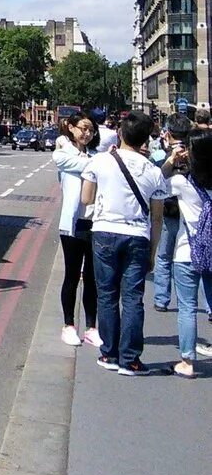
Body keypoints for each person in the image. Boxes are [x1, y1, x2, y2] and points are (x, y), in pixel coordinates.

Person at [82, 110, 178, 374]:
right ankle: (131, 359)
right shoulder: (153, 172)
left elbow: (86, 198)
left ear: (121, 134)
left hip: (104, 232)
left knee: (107, 295)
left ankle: (109, 354)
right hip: (138, 236)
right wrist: (153, 251)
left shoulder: (101, 161)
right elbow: (157, 218)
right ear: (145, 139)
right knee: (133, 298)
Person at [166, 132, 212, 378]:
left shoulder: (183, 183)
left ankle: (187, 362)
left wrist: (172, 160)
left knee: (187, 307)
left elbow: (155, 183)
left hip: (187, 251)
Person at [53, 113, 102, 347]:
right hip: (72, 224)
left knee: (93, 278)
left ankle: (92, 327)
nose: (87, 133)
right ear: (70, 128)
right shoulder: (62, 154)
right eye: (82, 128)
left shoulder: (96, 155)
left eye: (91, 130)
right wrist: (99, 163)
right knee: (72, 275)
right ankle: (69, 325)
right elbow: (68, 162)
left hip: (95, 222)